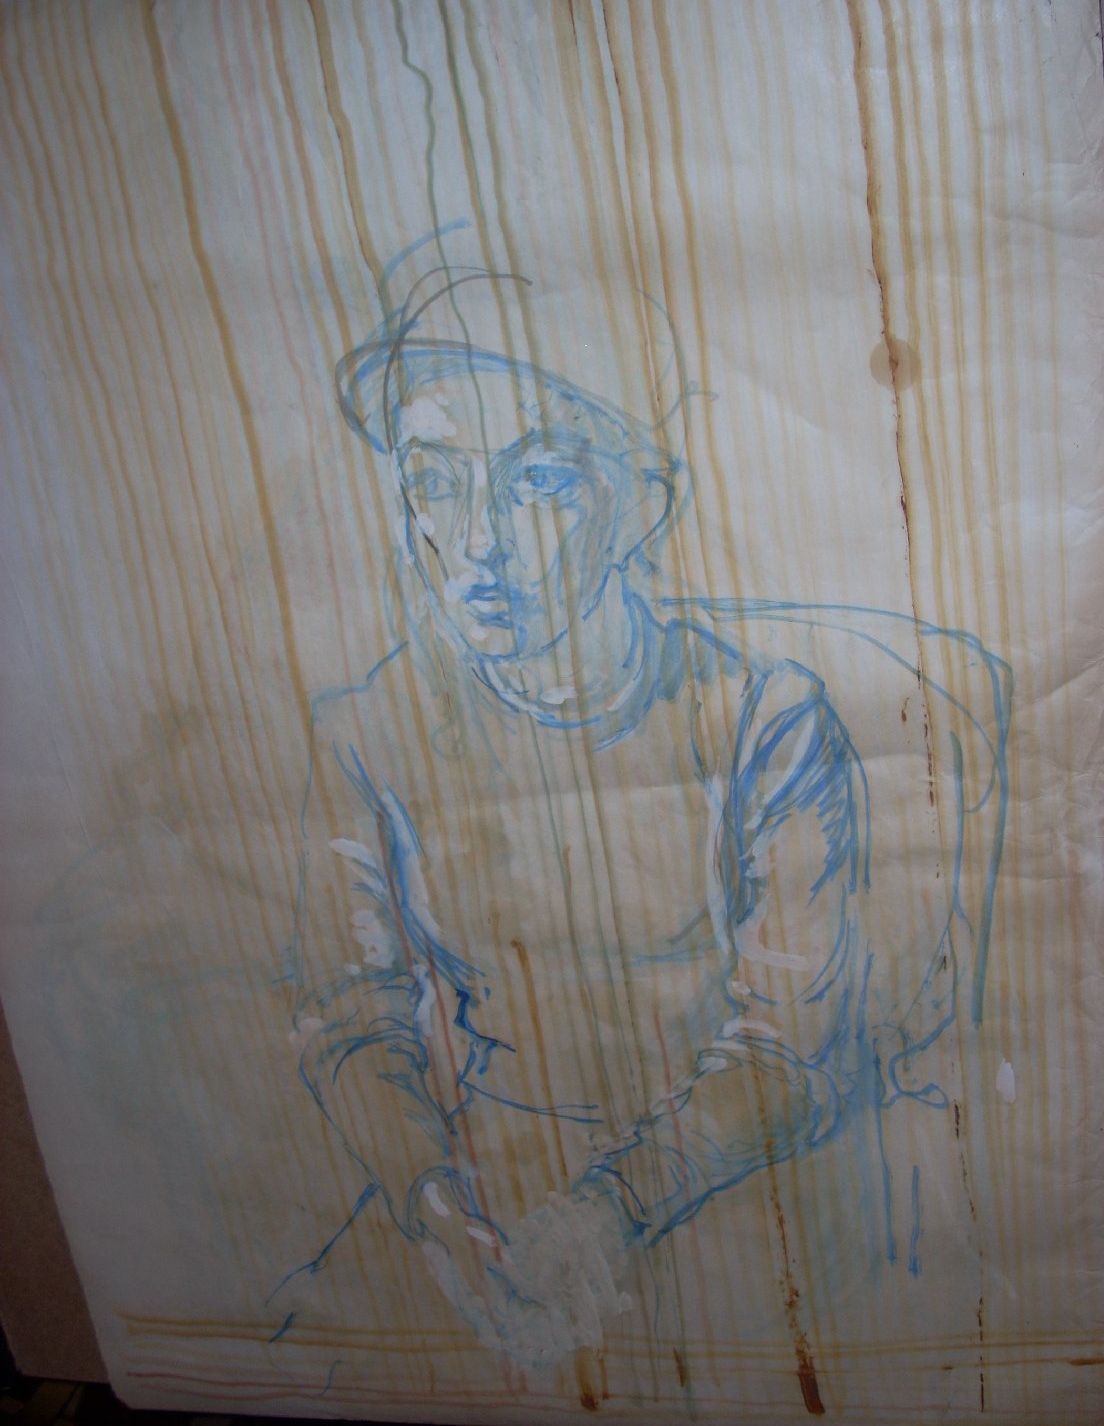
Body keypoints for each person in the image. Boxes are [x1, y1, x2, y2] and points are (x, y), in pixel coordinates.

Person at [282, 239, 1011, 1365]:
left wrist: (604, 1210)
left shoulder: (761, 717)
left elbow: (792, 1049)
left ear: (640, 506)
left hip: (729, 1184)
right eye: (434, 480)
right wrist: (433, 1205)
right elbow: (351, 1016)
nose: (476, 542)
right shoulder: (364, 731)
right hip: (481, 1188)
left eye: (537, 480)